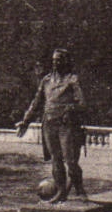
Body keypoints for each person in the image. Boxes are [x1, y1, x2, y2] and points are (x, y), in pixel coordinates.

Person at [16, 49, 87, 203]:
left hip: (66, 125)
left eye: (60, 59)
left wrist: (70, 109)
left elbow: (82, 103)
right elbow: (36, 102)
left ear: (66, 61)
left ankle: (80, 189)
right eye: (54, 60)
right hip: (49, 123)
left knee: (71, 161)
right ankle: (61, 191)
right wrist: (25, 121)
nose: (56, 62)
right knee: (55, 159)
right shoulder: (46, 80)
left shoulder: (72, 80)